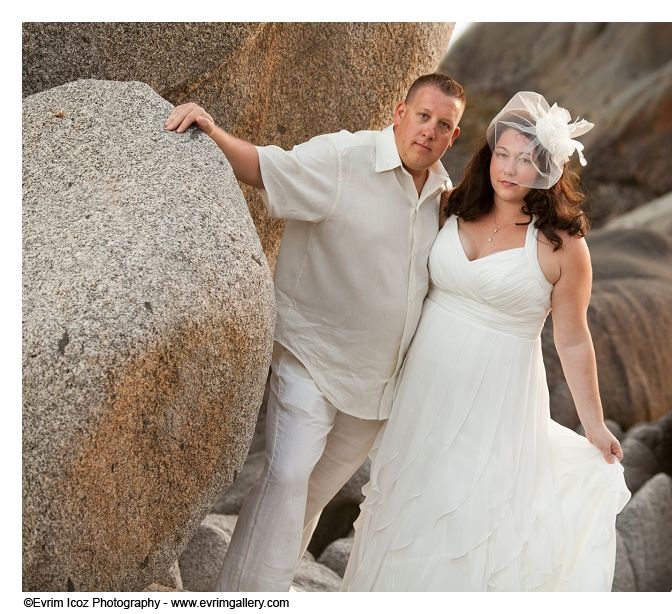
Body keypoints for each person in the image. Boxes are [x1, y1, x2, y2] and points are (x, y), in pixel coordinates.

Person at [164, 74, 466, 591]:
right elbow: (265, 167)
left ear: (453, 136)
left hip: (376, 390)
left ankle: (244, 590)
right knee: (286, 477)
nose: (430, 131)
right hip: (312, 359)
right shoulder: (344, 159)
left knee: (304, 500)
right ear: (400, 112)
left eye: (444, 125)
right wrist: (211, 132)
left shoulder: (444, 197)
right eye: (423, 116)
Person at [342, 92, 631, 591]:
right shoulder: (452, 205)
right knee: (406, 502)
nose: (511, 169)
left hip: (498, 398)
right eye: (503, 154)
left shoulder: (563, 246)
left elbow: (574, 341)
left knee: (470, 514)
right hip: (424, 387)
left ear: (549, 169)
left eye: (527, 160)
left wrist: (595, 425)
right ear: (488, 153)